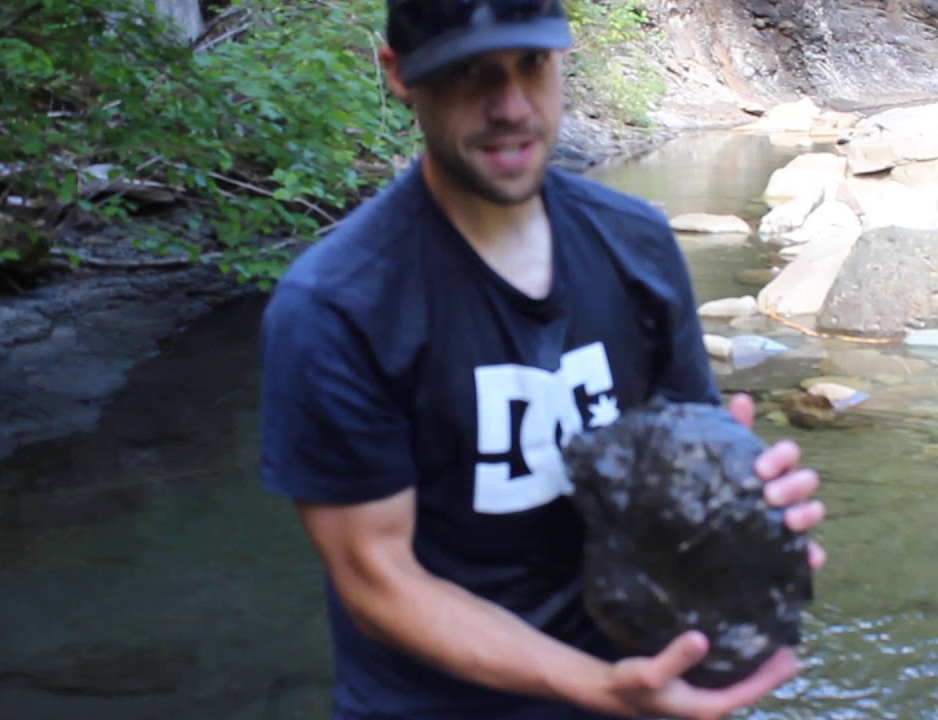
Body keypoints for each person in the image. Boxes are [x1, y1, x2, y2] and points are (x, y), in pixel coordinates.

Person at [258, 1, 827, 718]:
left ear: (562, 57)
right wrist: (596, 688)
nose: (510, 106)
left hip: (643, 676)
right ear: (399, 75)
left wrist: (746, 500)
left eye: (531, 64)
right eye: (468, 73)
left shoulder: (638, 245)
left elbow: (691, 439)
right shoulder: (336, 308)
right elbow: (378, 581)